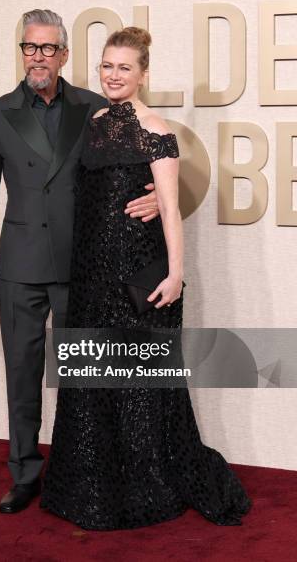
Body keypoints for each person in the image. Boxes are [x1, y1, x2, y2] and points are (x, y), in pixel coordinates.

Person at [40, 27, 252, 530]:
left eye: (125, 68)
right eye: (107, 66)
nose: (114, 76)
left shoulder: (156, 130)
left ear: (143, 75)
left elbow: (172, 211)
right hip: (90, 272)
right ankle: (88, 486)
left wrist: (178, 274)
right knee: (91, 376)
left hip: (137, 271)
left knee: (137, 381)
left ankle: (144, 486)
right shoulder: (89, 124)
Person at [0, 10, 161, 514]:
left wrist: (158, 196)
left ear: (64, 54)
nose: (39, 57)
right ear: (22, 51)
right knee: (23, 375)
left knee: (82, 376)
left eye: (49, 48)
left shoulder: (94, 106)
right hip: (19, 268)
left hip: (80, 265)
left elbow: (147, 157)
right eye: (30, 47)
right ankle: (24, 473)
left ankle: (79, 471)